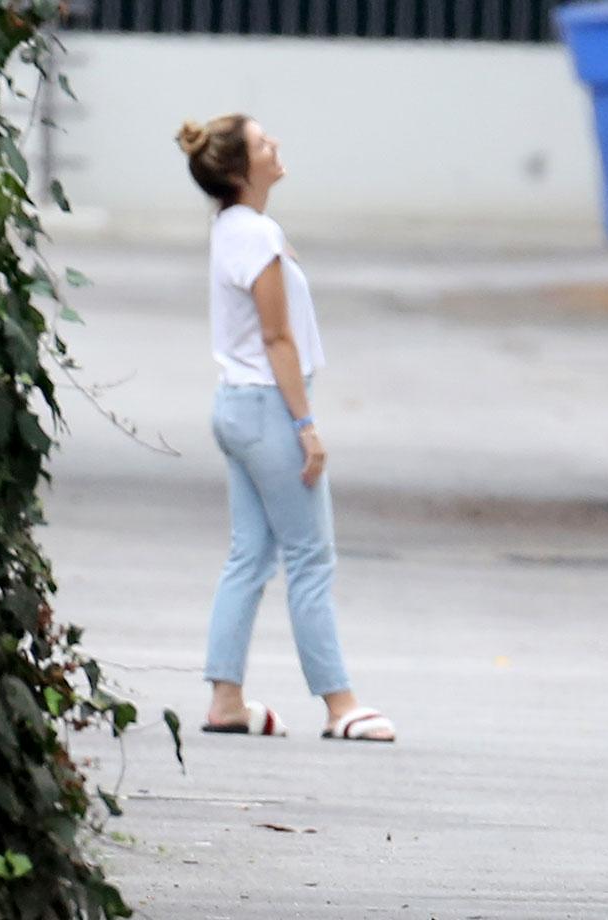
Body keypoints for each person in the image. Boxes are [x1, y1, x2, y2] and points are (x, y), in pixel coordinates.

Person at [175, 113, 394, 742]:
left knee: (249, 554)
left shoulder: (232, 227)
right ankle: (340, 704)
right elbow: (278, 338)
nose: (276, 146)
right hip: (269, 406)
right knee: (310, 557)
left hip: (235, 405)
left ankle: (226, 700)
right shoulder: (259, 235)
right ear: (242, 171)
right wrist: (307, 424)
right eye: (263, 143)